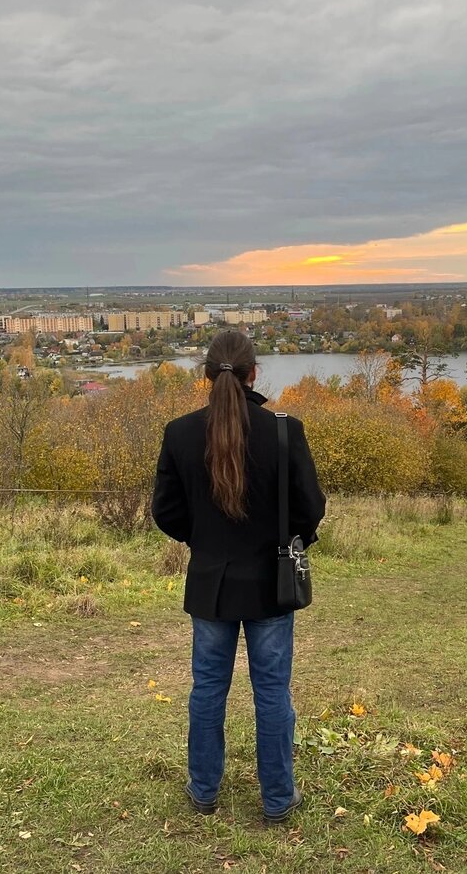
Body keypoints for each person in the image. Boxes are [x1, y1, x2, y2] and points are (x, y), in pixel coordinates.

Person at [151, 329, 326, 825]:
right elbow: (311, 507)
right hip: (272, 585)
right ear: (254, 373)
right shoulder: (284, 432)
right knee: (272, 691)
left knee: (208, 689)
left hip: (210, 584)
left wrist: (203, 541)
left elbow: (166, 511)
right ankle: (278, 799)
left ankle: (203, 790)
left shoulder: (180, 433)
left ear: (207, 375)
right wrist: (289, 540)